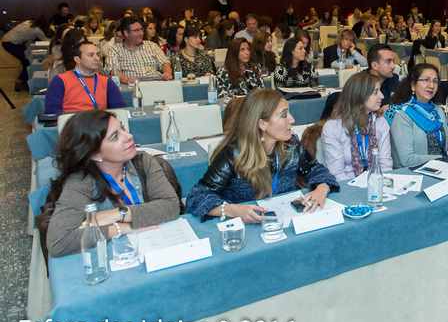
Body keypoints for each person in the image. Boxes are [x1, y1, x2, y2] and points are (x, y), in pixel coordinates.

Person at [186, 89, 338, 222]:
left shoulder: (291, 145)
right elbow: (196, 197)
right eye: (284, 115)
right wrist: (234, 210)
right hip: (245, 230)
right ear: (262, 124)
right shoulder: (232, 154)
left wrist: (322, 188)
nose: (292, 119)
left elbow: (316, 170)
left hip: (285, 222)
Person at [46, 110, 181, 256]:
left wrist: (117, 214)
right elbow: (58, 242)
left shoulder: (143, 161)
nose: (129, 136)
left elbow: (171, 206)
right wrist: (121, 228)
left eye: (122, 128)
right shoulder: (80, 181)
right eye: (115, 137)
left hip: (156, 246)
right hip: (115, 257)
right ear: (95, 154)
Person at [322, 72, 393, 180]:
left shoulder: (380, 122)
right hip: (347, 188)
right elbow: (337, 173)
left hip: (377, 184)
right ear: (359, 96)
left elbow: (385, 163)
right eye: (375, 92)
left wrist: (380, 186)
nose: (382, 96)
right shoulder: (333, 127)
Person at [388, 63, 448, 168]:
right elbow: (407, 159)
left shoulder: (437, 111)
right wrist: (442, 159)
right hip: (413, 172)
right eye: (426, 80)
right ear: (413, 85)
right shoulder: (402, 115)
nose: (431, 85)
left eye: (435, 81)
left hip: (440, 167)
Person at [45, 41, 126, 115]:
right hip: (71, 125)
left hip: (99, 125)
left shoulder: (106, 81)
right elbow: (52, 111)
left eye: (98, 55)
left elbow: (120, 108)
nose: (96, 59)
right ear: (77, 59)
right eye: (91, 55)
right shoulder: (60, 80)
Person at [105, 16, 172, 84]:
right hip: (132, 86)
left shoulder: (152, 46)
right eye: (136, 30)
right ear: (126, 33)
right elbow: (114, 72)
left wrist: (167, 73)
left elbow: (165, 63)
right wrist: (127, 80)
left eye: (141, 29)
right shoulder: (114, 50)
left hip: (155, 82)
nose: (141, 33)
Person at [2, 15, 55, 90]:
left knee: (25, 60)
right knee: (27, 63)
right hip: (11, 44)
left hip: (6, 40)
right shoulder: (37, 30)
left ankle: (23, 81)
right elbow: (47, 40)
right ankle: (19, 83)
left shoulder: (29, 22)